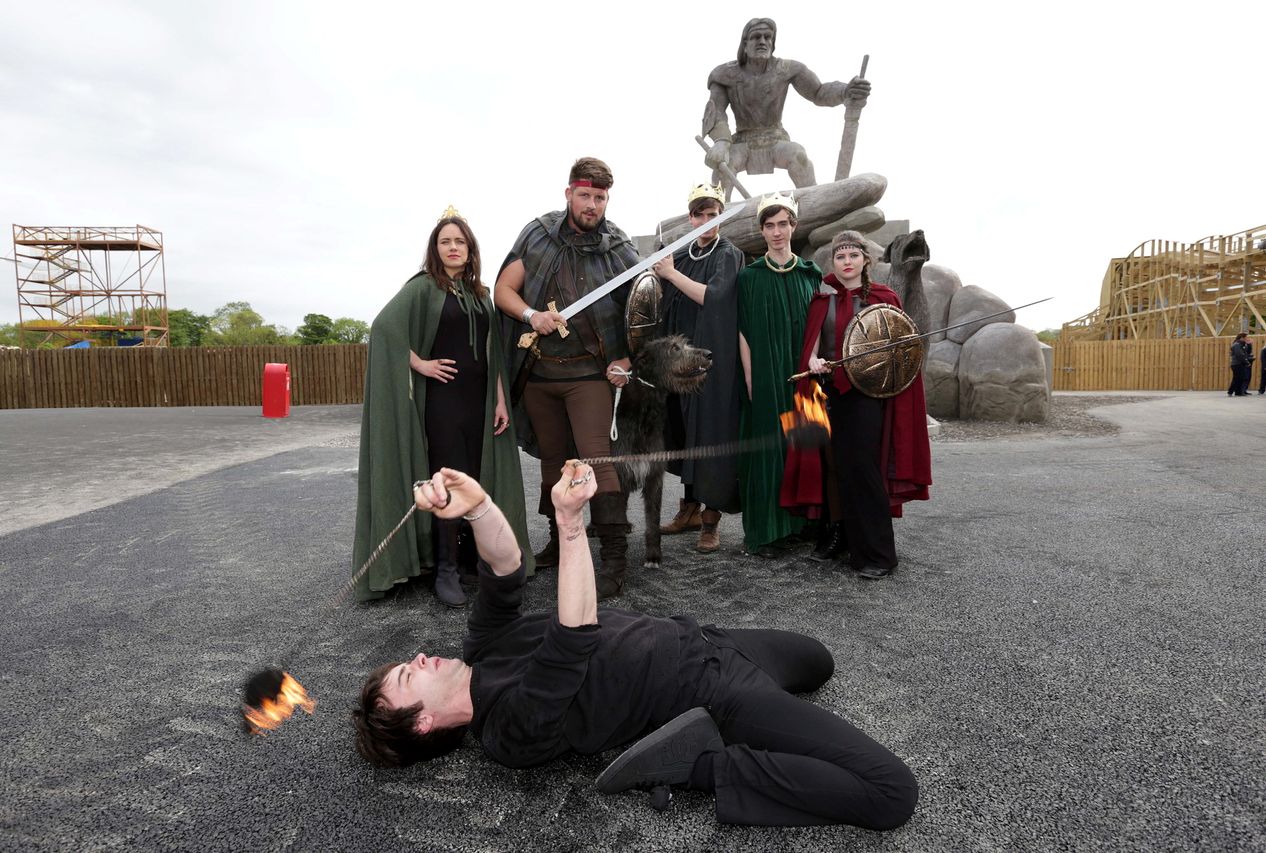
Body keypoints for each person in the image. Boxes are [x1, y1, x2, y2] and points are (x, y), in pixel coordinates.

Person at [351, 463, 918, 829]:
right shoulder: (507, 733)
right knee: (890, 793)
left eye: (407, 662)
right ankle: (696, 766)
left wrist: (477, 507)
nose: (420, 657)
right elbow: (574, 635)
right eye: (408, 676)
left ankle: (743, 732)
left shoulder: (482, 648)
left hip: (705, 640)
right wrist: (571, 524)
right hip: (708, 690)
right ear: (422, 723)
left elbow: (504, 566)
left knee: (818, 660)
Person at [353, 208, 532, 606]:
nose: (453, 248)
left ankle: (473, 559)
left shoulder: (480, 295)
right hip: (443, 404)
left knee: (477, 476)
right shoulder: (422, 288)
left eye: (460, 242)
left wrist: (500, 400)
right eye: (445, 242)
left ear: (471, 250)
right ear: (436, 250)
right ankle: (445, 569)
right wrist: (419, 363)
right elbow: (383, 329)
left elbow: (494, 355)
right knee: (449, 482)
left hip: (480, 405)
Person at [494, 157, 640, 598]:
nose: (592, 205)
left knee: (598, 458)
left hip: (590, 374)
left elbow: (642, 311)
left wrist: (627, 360)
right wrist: (530, 314)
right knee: (553, 463)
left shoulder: (618, 247)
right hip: (539, 374)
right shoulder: (537, 235)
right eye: (585, 195)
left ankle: (615, 557)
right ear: (568, 193)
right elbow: (503, 290)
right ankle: (560, 544)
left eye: (600, 197)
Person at [782, 231, 932, 579]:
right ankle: (844, 541)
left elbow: (901, 352)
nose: (846, 262)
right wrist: (815, 361)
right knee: (835, 469)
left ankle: (879, 554)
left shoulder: (884, 298)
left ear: (866, 260)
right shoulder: (822, 299)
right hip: (828, 392)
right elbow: (813, 347)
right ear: (833, 262)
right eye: (840, 256)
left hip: (868, 396)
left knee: (864, 469)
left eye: (853, 255)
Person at [650, 182, 745, 552]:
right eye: (700, 214)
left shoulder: (728, 253)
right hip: (679, 364)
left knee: (710, 435)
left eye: (713, 214)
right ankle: (688, 510)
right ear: (690, 217)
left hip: (712, 360)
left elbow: (714, 296)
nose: (707, 220)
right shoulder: (682, 254)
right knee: (684, 433)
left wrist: (671, 274)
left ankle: (710, 520)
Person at [736, 192, 821, 556]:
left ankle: (804, 523)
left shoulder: (810, 274)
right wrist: (752, 378)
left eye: (783, 224)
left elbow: (819, 326)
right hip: (767, 375)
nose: (776, 232)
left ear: (793, 226)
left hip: (805, 373)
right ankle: (769, 531)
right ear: (761, 231)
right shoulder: (749, 278)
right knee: (770, 449)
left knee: (807, 444)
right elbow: (743, 332)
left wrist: (814, 365)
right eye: (769, 226)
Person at [701, 18, 871, 197]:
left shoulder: (787, 69)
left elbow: (818, 92)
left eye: (768, 37)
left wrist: (846, 90)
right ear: (744, 44)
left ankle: (814, 202)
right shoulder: (724, 74)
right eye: (756, 37)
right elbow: (716, 111)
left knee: (798, 156)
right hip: (742, 141)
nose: (762, 41)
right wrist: (721, 142)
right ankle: (716, 214)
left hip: (775, 137)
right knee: (723, 166)